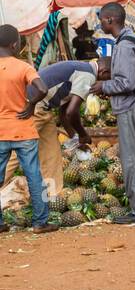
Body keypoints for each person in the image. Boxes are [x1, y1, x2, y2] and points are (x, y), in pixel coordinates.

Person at [89, 3, 135, 224]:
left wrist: (103, 87)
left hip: (130, 106)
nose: (100, 24)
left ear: (109, 20)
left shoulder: (125, 46)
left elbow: (126, 82)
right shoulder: (133, 40)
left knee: (132, 158)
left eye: (101, 20)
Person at [11, 58, 103, 194]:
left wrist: (75, 139)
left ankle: (52, 196)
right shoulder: (88, 75)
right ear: (104, 72)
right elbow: (72, 112)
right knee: (15, 150)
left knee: (51, 154)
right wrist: (83, 134)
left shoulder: (80, 67)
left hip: (42, 109)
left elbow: (64, 112)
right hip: (32, 108)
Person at [0, 25, 57, 234]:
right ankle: (40, 222)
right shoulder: (23, 67)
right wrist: (31, 105)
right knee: (34, 176)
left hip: (0, 131)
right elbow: (42, 88)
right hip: (23, 130)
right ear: (15, 44)